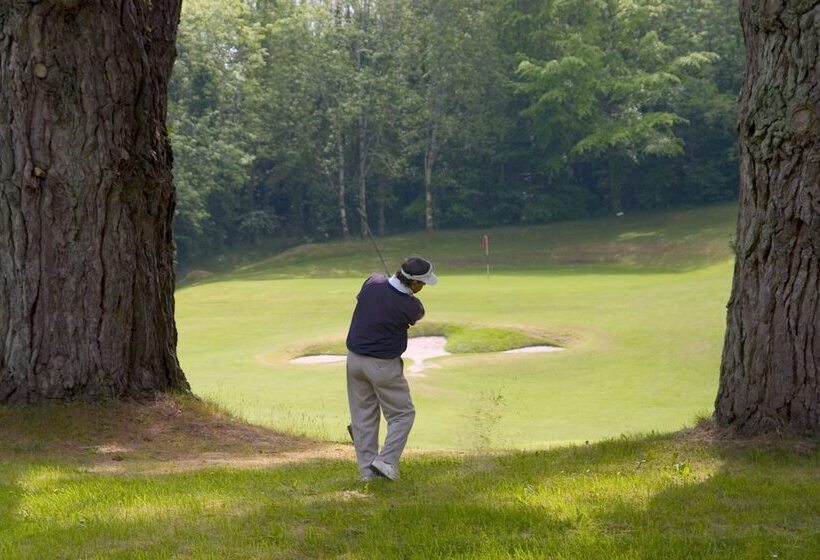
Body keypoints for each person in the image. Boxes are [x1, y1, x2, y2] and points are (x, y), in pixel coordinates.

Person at [345, 256, 438, 481]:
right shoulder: (410, 305)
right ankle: (386, 461)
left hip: (354, 361)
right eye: (422, 283)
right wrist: (404, 295)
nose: (423, 287)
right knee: (402, 415)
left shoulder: (372, 282)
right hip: (382, 365)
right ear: (414, 283)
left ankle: (367, 474)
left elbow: (376, 287)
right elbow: (418, 313)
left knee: (363, 417)